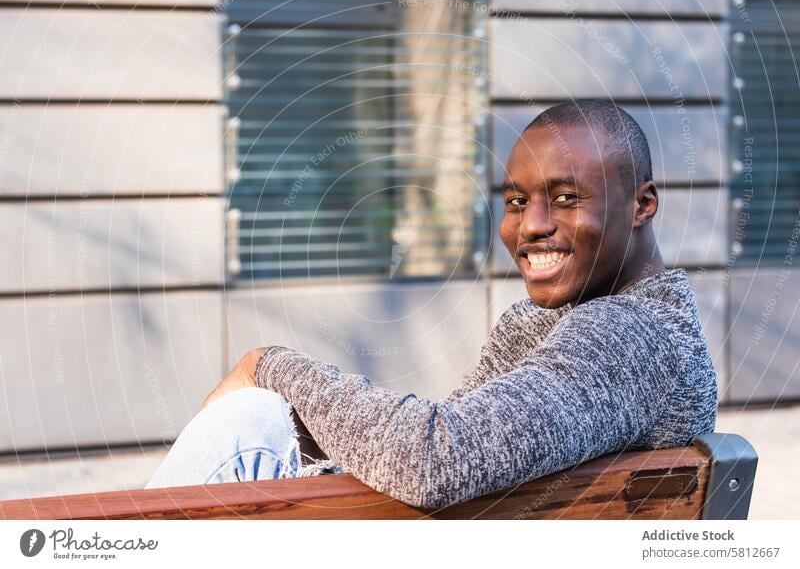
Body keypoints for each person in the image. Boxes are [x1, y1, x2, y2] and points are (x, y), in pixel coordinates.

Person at [146, 99, 718, 510]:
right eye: (516, 201)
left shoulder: (629, 338)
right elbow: (455, 448)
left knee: (247, 423)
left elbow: (435, 460)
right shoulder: (576, 322)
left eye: (566, 199)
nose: (531, 226)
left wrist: (268, 366)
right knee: (262, 424)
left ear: (642, 205)